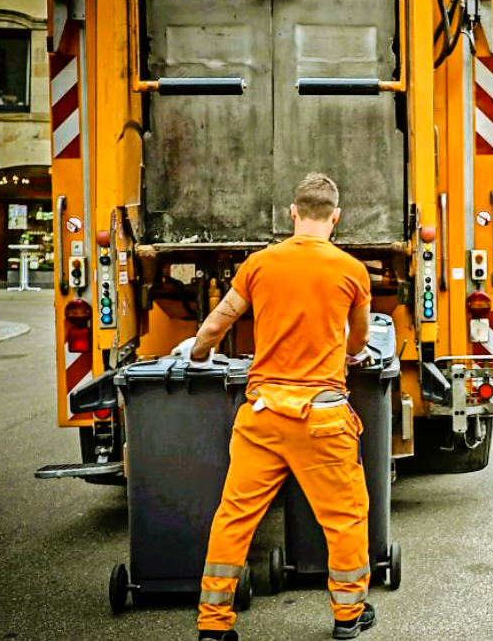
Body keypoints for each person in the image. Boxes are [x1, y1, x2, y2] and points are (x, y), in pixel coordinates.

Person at [178, 173, 376, 641]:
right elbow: (361, 338)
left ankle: (213, 624)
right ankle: (348, 616)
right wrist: (350, 353)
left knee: (234, 517)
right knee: (345, 518)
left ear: (292, 213)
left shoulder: (259, 264)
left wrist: (201, 352)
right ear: (335, 217)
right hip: (322, 417)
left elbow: (215, 325)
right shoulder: (351, 270)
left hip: (263, 414)